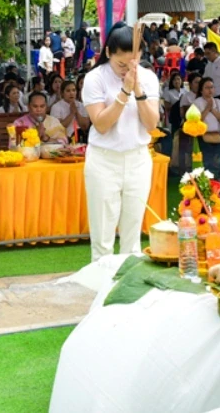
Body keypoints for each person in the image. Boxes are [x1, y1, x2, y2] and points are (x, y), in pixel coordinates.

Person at [82, 24, 161, 262]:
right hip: (104, 160)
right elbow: (102, 125)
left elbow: (151, 123)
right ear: (108, 53)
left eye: (132, 64)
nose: (126, 70)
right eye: (121, 64)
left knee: (132, 233)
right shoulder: (94, 78)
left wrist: (137, 89)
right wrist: (124, 92)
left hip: (137, 159)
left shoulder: (147, 78)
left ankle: (128, 291)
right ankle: (101, 289)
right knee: (103, 235)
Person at [192, 78, 220, 178]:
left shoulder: (218, 102)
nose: (210, 90)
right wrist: (207, 108)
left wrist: (212, 108)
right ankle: (207, 176)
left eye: (211, 87)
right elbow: (197, 120)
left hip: (217, 135)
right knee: (207, 157)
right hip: (202, 135)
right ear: (201, 90)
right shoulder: (197, 102)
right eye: (207, 88)